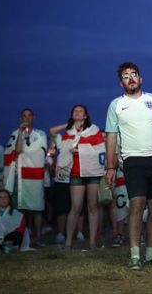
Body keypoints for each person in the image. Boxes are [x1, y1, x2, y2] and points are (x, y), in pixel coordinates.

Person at [104, 62, 152, 270]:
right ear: (121, 83)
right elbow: (111, 137)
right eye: (126, 76)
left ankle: (151, 253)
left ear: (141, 78)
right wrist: (110, 167)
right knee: (136, 204)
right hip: (133, 160)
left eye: (134, 74)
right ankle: (134, 255)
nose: (131, 78)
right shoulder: (116, 105)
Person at [50, 105, 105, 250]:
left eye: (81, 111)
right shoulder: (68, 132)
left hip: (92, 172)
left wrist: (79, 149)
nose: (77, 112)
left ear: (86, 115)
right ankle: (68, 242)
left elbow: (99, 149)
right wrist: (68, 124)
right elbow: (53, 132)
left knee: (93, 207)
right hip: (75, 172)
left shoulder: (93, 129)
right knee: (75, 207)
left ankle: (92, 242)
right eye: (75, 111)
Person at [3, 108, 47, 246]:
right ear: (20, 118)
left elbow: (39, 154)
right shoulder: (15, 134)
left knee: (36, 207)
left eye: (29, 116)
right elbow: (17, 150)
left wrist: (26, 153)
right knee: (18, 207)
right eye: (24, 116)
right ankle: (19, 237)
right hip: (19, 175)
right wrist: (21, 134)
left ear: (34, 117)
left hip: (34, 175)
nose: (26, 118)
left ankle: (38, 237)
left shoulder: (41, 134)